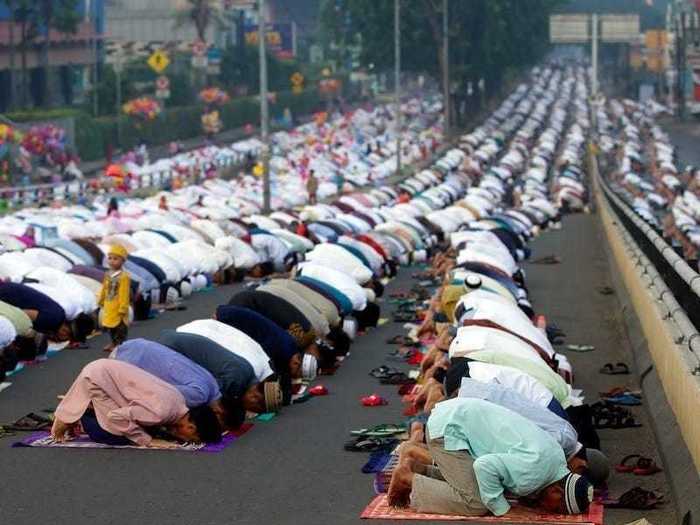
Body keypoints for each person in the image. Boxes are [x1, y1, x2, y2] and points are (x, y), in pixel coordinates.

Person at [388, 398, 593, 517]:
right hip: (449, 428)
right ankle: (408, 478)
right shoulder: (535, 474)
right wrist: (504, 511)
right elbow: (484, 467)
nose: (552, 512)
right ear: (557, 491)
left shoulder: (557, 459)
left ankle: (417, 467)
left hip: (457, 417)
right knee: (477, 504)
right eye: (557, 507)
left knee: (481, 488)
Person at [51, 359, 222, 446]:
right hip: (97, 379)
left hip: (106, 370)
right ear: (191, 428)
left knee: (140, 428)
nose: (186, 440)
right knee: (114, 435)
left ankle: (82, 403)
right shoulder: (160, 414)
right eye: (192, 439)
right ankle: (75, 416)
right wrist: (147, 441)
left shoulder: (179, 400)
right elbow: (116, 417)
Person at [98, 245, 131, 353]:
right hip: (109, 305)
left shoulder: (124, 276)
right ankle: (113, 342)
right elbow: (104, 288)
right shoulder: (108, 274)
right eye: (110, 258)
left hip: (118, 306)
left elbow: (124, 293)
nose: (112, 261)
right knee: (110, 326)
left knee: (120, 328)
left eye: (115, 259)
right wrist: (101, 299)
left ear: (122, 261)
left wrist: (123, 307)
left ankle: (120, 345)